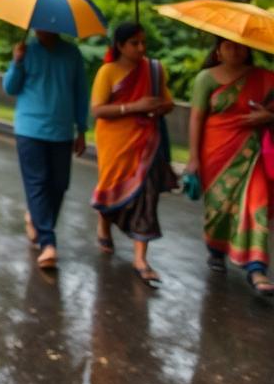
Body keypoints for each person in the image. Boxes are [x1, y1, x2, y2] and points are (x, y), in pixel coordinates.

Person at [186, 37, 274, 296]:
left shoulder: (265, 78)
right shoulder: (206, 79)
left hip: (252, 153)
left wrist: (268, 116)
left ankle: (257, 268)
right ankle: (216, 250)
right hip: (215, 154)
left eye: (241, 45)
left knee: (257, 203)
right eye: (229, 45)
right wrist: (193, 158)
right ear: (218, 51)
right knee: (218, 210)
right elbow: (196, 119)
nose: (236, 50)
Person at [90, 23, 175, 286]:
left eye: (142, 42)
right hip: (115, 143)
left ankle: (140, 259)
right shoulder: (108, 71)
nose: (141, 48)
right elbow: (98, 110)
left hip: (147, 143)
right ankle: (104, 224)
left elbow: (169, 102)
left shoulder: (154, 69)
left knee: (146, 197)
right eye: (134, 43)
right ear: (120, 46)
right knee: (112, 189)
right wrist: (133, 107)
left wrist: (157, 106)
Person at [3, 29, 88, 270]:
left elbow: (81, 93)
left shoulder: (72, 54)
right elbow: (10, 87)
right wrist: (17, 62)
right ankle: (48, 243)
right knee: (37, 182)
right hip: (30, 129)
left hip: (61, 131)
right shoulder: (27, 50)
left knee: (59, 184)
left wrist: (82, 129)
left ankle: (36, 218)